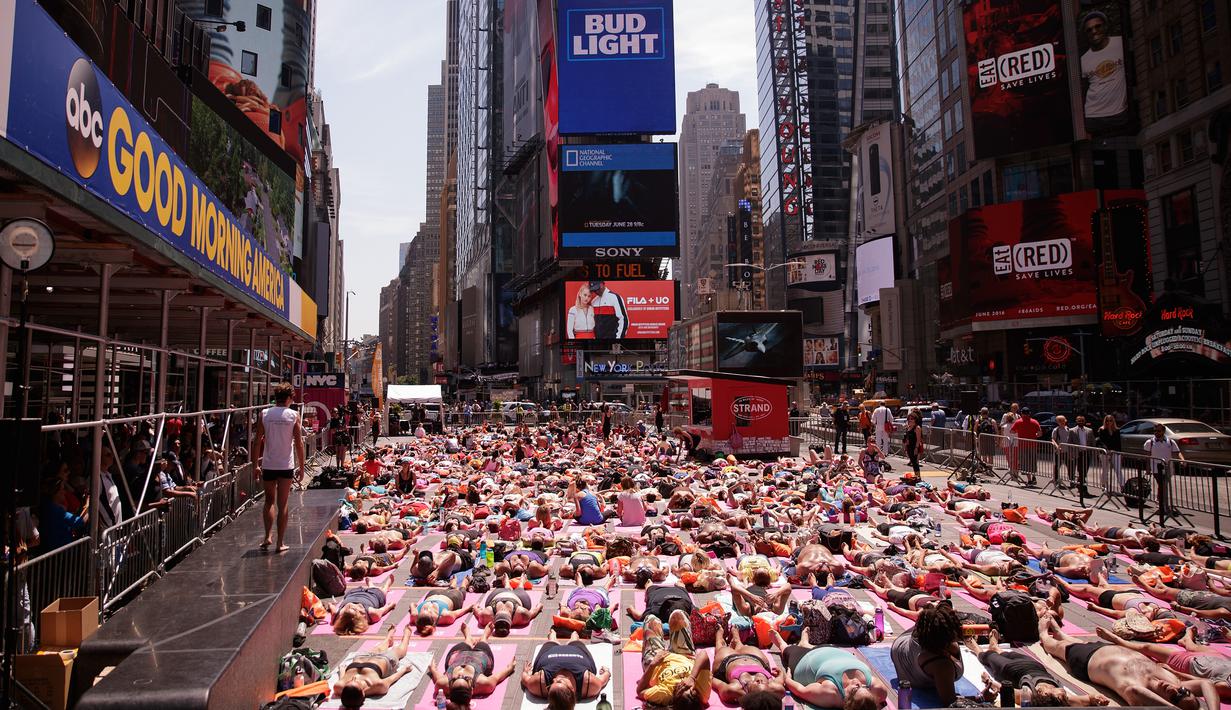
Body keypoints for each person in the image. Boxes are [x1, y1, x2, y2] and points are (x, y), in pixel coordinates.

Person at [1040, 614, 1213, 708]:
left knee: (1052, 645)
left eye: (1174, 697)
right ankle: (1059, 630)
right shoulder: (1172, 682)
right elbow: (1207, 684)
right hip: (1105, 649)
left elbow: (1134, 692)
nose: (1174, 690)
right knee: (1075, 641)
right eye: (1183, 691)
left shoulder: (1138, 689)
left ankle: (1042, 631)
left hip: (1086, 660)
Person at [252, 382, 305, 552]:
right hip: (285, 465)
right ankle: (280, 543)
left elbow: (257, 440)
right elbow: (299, 443)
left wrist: (256, 465)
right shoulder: (293, 415)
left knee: (268, 501)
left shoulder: (265, 414)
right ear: (289, 397)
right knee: (283, 504)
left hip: (268, 464)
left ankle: (267, 536)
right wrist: (302, 466)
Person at [890, 603, 964, 707]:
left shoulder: (924, 631)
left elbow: (931, 622)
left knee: (932, 618)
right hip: (915, 671)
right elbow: (950, 701)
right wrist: (981, 697)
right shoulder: (942, 665)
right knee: (953, 649)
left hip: (900, 648)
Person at [427, 624, 517, 707]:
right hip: (480, 657)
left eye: (455, 679)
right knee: (482, 644)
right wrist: (509, 669)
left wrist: (433, 669)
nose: (460, 674)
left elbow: (436, 675)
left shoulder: (441, 684)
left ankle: (468, 639)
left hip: (458, 655)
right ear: (472, 690)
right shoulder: (485, 684)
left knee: (463, 645)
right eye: (466, 678)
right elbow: (497, 677)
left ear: (449, 689)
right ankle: (484, 637)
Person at [636, 609, 711, 709]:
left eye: (682, 689)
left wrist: (653, 664)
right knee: (678, 615)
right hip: (685, 655)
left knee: (651, 620)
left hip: (657, 661)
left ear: (675, 697)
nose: (685, 685)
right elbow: (703, 655)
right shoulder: (702, 693)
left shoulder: (665, 694)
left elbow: (640, 691)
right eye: (690, 689)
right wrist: (691, 678)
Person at [783, 639, 886, 710]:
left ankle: (785, 644)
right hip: (831, 648)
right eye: (865, 687)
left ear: (846, 701)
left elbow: (801, 690)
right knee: (811, 646)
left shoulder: (830, 693)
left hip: (804, 659)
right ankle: (805, 643)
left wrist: (787, 678)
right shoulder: (878, 689)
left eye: (855, 689)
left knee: (786, 649)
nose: (858, 682)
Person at [334, 626, 416, 708]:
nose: (354, 678)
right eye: (357, 683)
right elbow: (392, 679)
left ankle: (388, 639)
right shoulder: (378, 686)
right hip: (385, 660)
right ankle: (407, 635)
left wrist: (342, 670)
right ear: (362, 693)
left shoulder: (339, 687)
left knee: (378, 648)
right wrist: (404, 670)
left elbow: (342, 679)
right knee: (398, 651)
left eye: (349, 682)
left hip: (362, 657)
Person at [521, 637, 610, 708]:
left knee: (552, 638)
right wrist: (606, 672)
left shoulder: (540, 684)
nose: (555, 679)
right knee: (575, 637)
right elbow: (602, 680)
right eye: (559, 681)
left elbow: (525, 680)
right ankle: (572, 635)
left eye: (551, 684)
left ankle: (553, 634)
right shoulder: (589, 685)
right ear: (572, 690)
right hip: (577, 650)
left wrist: (526, 672)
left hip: (550, 651)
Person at [1080, 10, 1130, 136]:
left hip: (1120, 113)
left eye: (1098, 26)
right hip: (1093, 117)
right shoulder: (1083, 60)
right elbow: (1082, 89)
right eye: (1089, 30)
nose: (1094, 31)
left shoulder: (1121, 44)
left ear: (1105, 26)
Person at [329, 577, 399, 635]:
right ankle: (386, 585)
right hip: (373, 595)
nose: (352, 605)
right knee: (382, 591)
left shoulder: (337, 614)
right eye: (355, 609)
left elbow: (332, 608)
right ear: (361, 615)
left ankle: (371, 585)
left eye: (348, 607)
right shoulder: (372, 614)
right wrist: (390, 606)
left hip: (354, 593)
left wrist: (330, 605)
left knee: (374, 589)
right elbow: (383, 610)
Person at [1145, 423, 1184, 524]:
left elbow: (1177, 452)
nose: (1156, 433)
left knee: (1163, 485)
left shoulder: (1170, 442)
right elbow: (1148, 455)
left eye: (1158, 431)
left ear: (1163, 431)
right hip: (1156, 467)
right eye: (1155, 431)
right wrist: (1148, 468)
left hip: (1168, 467)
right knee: (1162, 485)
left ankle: (1160, 501)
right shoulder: (1150, 442)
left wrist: (1182, 460)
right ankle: (1163, 505)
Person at [1009, 407, 1041, 486]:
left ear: (1022, 413)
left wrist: (1019, 431)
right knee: (1032, 461)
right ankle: (1033, 476)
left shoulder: (1018, 422)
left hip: (1023, 445)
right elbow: (1040, 433)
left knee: (1025, 463)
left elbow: (1012, 431)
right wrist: (1034, 435)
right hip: (1033, 445)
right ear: (1029, 413)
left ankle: (1029, 480)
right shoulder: (1035, 422)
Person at [1096, 414, 1123, 491]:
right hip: (1105, 452)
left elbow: (1118, 443)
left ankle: (1122, 486)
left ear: (1113, 421)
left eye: (1110, 420)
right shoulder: (1102, 430)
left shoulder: (1117, 430)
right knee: (1105, 469)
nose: (1109, 422)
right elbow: (1101, 442)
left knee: (1118, 470)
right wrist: (1107, 450)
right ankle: (1104, 485)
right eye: (1107, 420)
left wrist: (1119, 452)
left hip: (1115, 452)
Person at [902, 411, 924, 479]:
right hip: (909, 446)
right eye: (909, 419)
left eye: (912, 419)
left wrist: (916, 448)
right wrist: (905, 446)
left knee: (915, 463)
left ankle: (918, 477)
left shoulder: (917, 428)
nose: (910, 420)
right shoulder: (909, 427)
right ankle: (916, 476)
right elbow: (907, 438)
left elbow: (918, 439)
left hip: (914, 446)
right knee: (912, 461)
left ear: (915, 419)